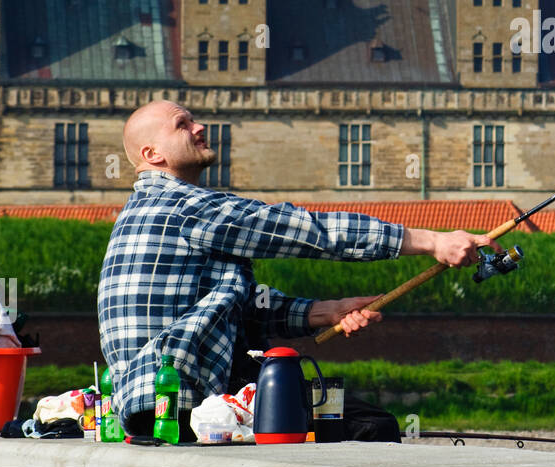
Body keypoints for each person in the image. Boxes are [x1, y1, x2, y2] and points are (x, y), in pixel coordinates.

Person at [97, 100, 494, 440]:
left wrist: (323, 312)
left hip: (158, 404)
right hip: (186, 403)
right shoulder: (186, 208)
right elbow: (306, 232)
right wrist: (433, 242)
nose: (200, 127)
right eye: (182, 124)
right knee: (371, 427)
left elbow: (237, 306)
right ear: (153, 155)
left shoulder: (147, 211)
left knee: (354, 420)